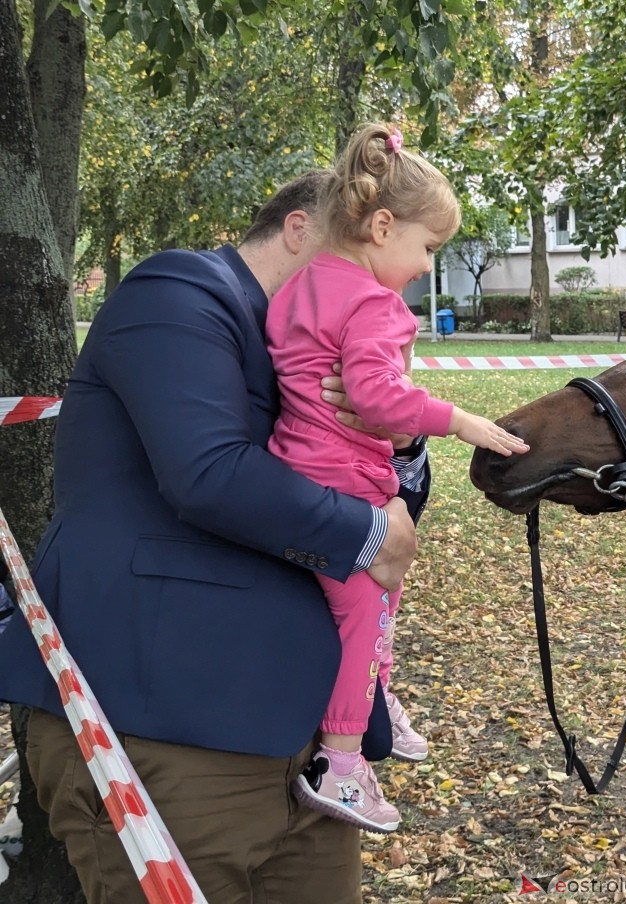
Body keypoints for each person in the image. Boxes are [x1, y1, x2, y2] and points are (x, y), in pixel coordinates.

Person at [0, 171, 418, 904]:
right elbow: (207, 472)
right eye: (355, 253)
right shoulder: (177, 292)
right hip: (167, 731)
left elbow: (379, 481)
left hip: (306, 748)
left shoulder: (324, 339)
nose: (374, 281)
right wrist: (364, 533)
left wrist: (402, 437)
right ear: (298, 229)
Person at [267, 122, 528, 832]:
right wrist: (463, 421)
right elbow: (378, 398)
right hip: (341, 481)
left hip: (296, 466)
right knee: (362, 607)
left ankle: (379, 688)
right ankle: (344, 761)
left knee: (385, 585)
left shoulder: (302, 286)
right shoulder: (376, 304)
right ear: (382, 226)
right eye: (427, 248)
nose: (423, 266)